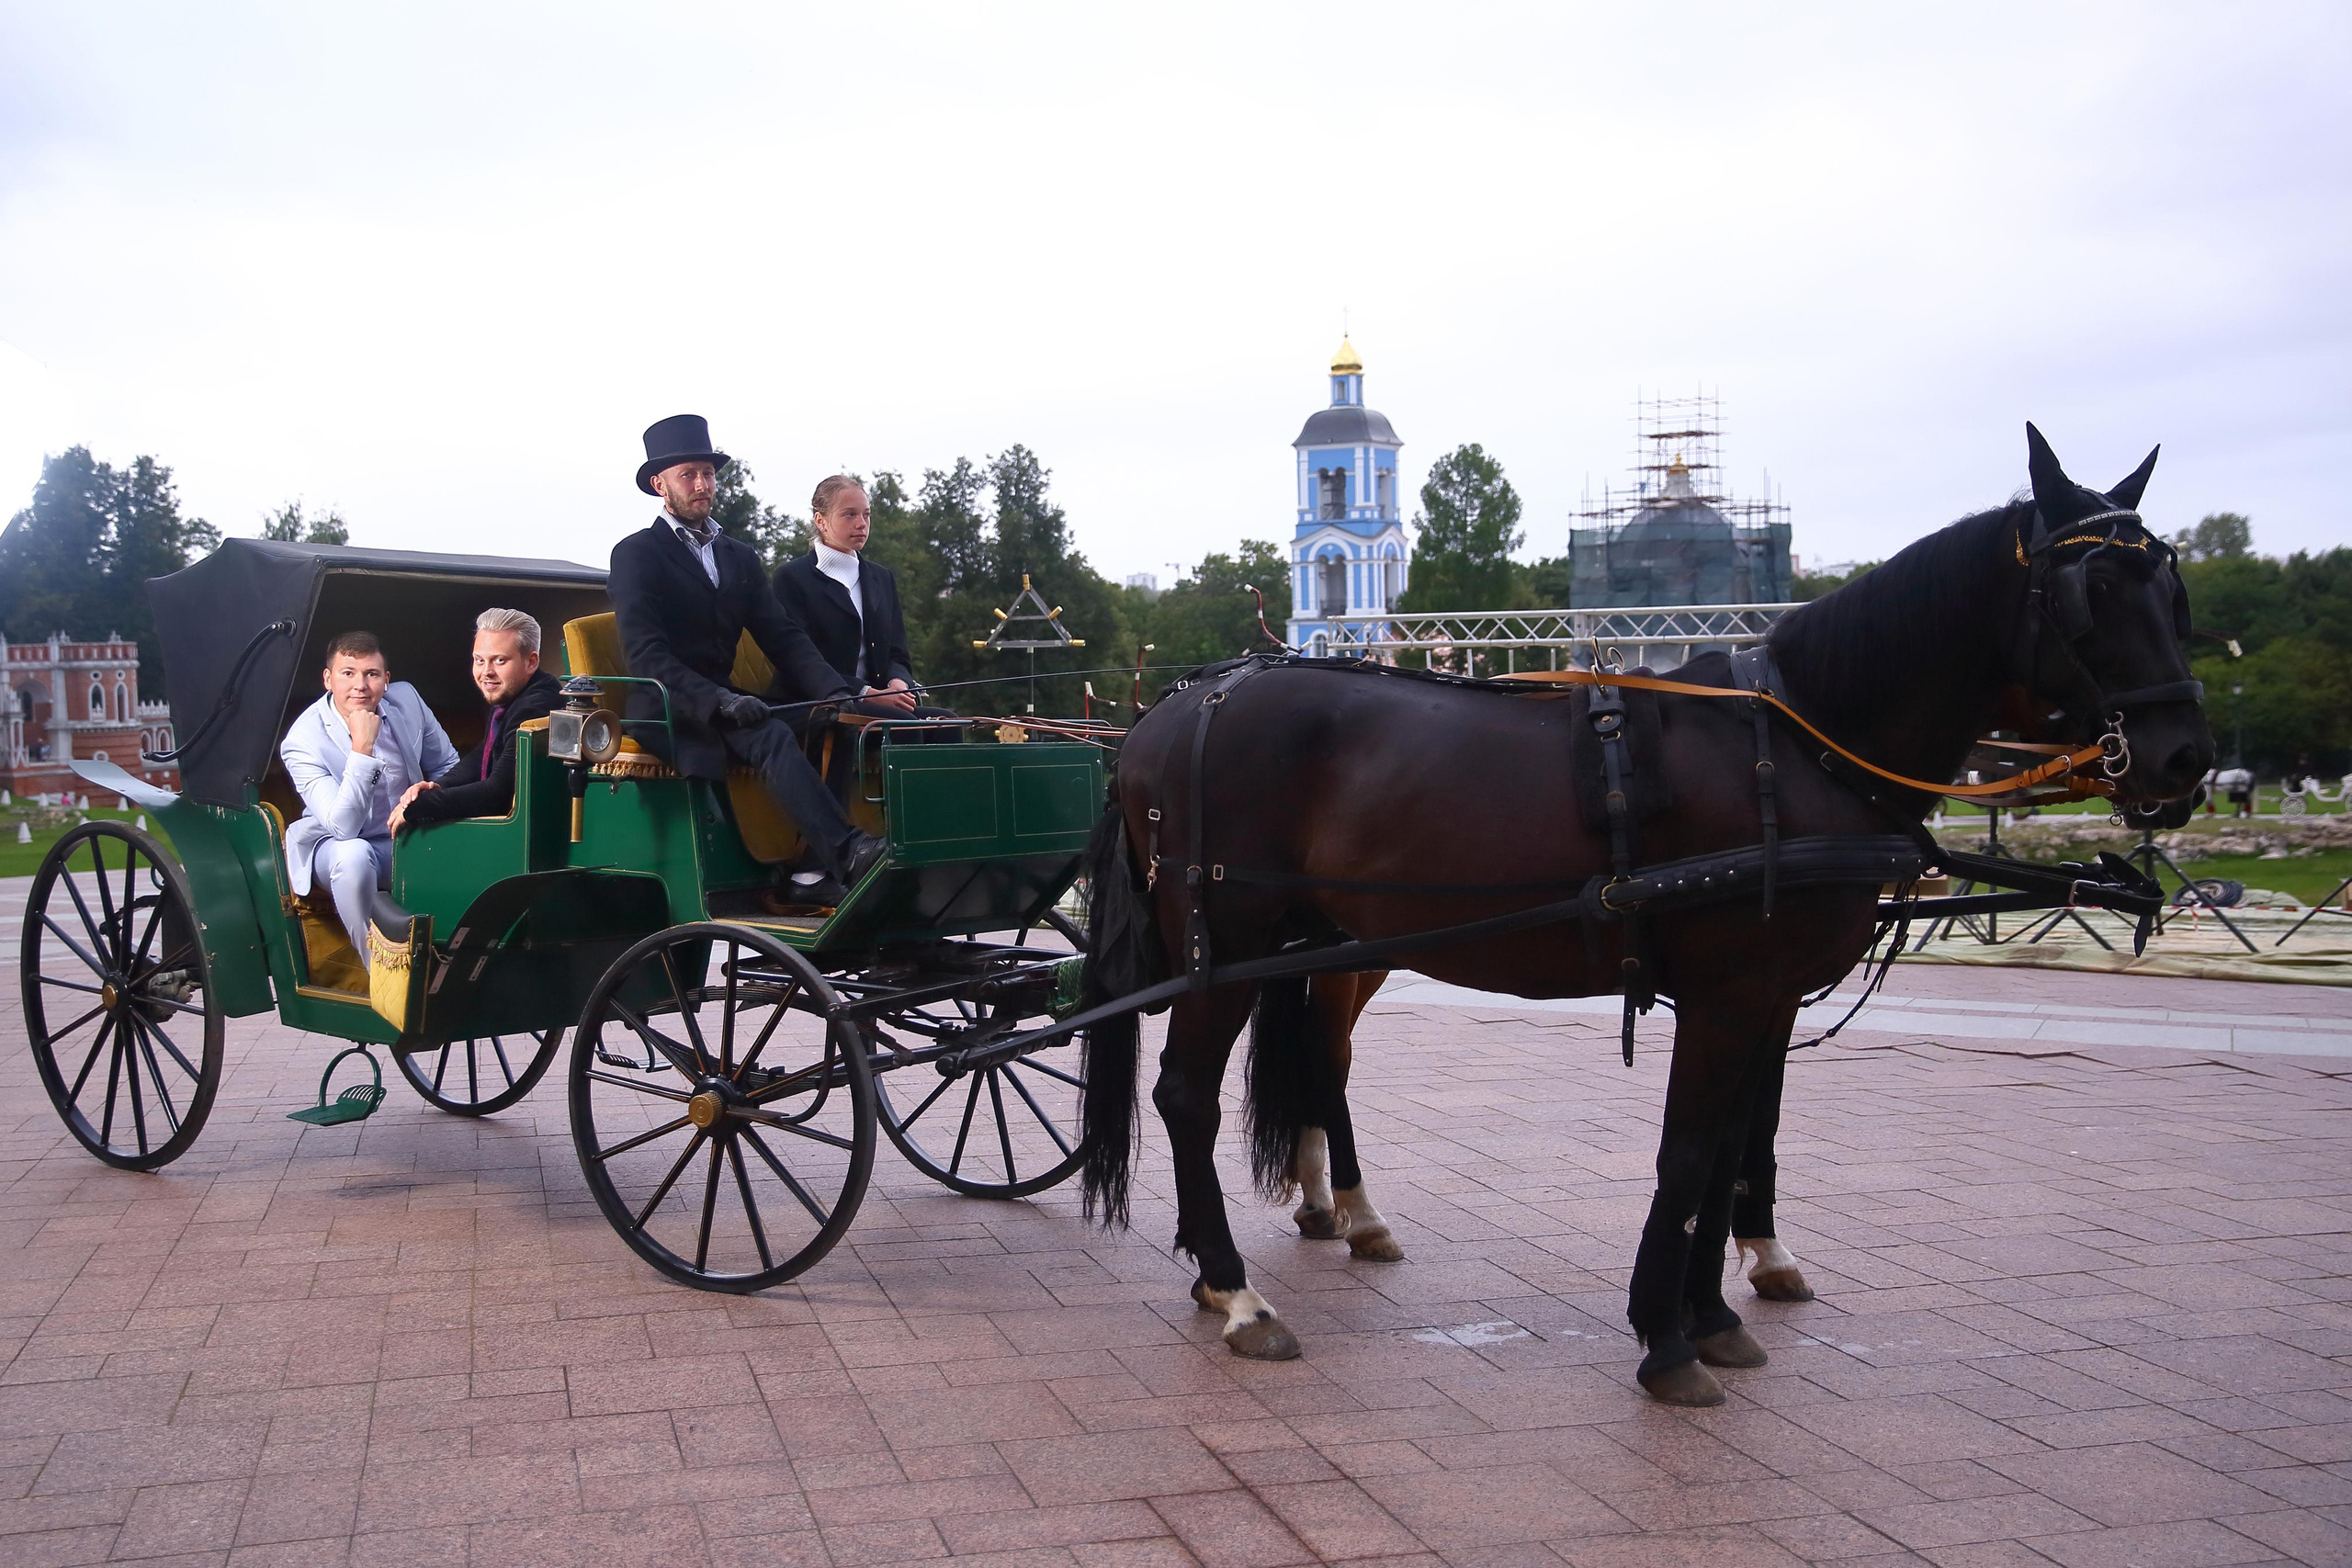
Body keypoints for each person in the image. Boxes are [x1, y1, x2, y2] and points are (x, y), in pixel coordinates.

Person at [608, 415, 886, 910]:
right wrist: (718, 699)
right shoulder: (636, 554)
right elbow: (647, 655)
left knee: (833, 719)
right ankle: (848, 852)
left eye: (708, 474)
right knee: (770, 734)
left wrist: (835, 690)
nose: (702, 484)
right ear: (659, 485)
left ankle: (809, 873)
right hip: (671, 709)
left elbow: (783, 636)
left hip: (730, 702)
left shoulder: (738, 556)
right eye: (688, 475)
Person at [280, 630, 458, 967]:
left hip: (406, 837)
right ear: (328, 679)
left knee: (467, 841)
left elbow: (447, 765)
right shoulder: (303, 740)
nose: (359, 685)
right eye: (348, 673)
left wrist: (433, 795)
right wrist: (361, 748)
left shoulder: (407, 700)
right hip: (335, 847)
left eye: (371, 674)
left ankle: (454, 962)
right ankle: (379, 971)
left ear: (386, 680)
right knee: (354, 856)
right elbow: (343, 828)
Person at [390, 608, 564, 832]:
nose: (486, 672)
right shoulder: (512, 693)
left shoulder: (535, 706)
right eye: (479, 660)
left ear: (531, 662)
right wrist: (437, 785)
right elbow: (483, 754)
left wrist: (418, 807)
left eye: (499, 660)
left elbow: (497, 794)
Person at [771, 476, 922, 713]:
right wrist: (865, 693)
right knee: (903, 724)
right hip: (819, 703)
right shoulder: (791, 578)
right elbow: (800, 662)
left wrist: (899, 683)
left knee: (947, 722)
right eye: (850, 514)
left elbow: (897, 654)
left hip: (882, 701)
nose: (861, 523)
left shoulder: (882, 578)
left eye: (866, 515)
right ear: (820, 520)